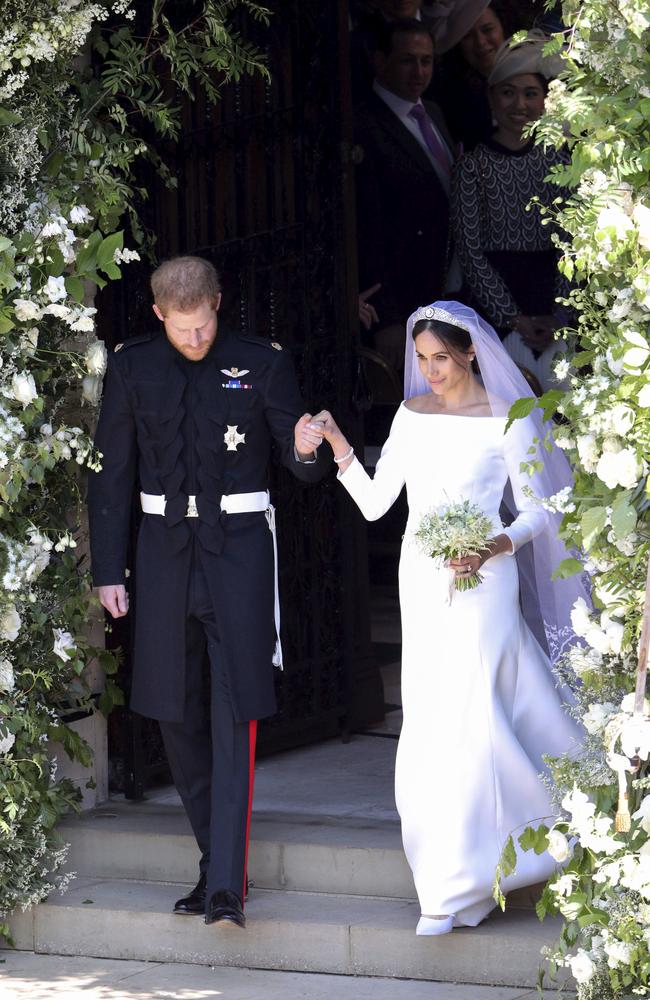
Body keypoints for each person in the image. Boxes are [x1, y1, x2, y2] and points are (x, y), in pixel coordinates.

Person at [311, 300, 586, 934]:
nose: (430, 371)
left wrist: (493, 546)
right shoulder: (411, 414)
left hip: (485, 580)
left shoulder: (507, 418)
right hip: (422, 581)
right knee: (433, 722)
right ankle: (450, 874)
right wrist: (340, 446)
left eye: (441, 358)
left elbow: (541, 511)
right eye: (421, 359)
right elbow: (380, 505)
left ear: (469, 353)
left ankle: (465, 883)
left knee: (477, 719)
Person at [87, 256, 329, 929]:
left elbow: (296, 460)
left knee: (235, 711)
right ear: (159, 313)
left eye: (206, 325)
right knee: (172, 711)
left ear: (218, 302)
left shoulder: (263, 361)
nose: (197, 340)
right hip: (161, 557)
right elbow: (111, 475)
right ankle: (213, 859)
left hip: (240, 552)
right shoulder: (132, 366)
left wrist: (307, 448)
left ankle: (225, 885)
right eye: (183, 329)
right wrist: (109, 569)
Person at [451, 31, 569, 392]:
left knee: (565, 417)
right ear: (492, 97)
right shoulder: (473, 166)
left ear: (545, 100)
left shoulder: (560, 160)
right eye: (508, 92)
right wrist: (514, 318)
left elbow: (573, 242)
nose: (519, 103)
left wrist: (559, 316)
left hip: (554, 303)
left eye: (530, 93)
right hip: (497, 313)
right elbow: (470, 253)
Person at [354, 18, 456, 370]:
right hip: (398, 297)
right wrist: (387, 316)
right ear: (380, 61)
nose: (419, 71)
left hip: (442, 283)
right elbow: (365, 223)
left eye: (426, 61)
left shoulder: (435, 112)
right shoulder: (362, 123)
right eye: (407, 60)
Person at [430, 0, 517, 151]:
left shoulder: (539, 72)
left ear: (503, 26)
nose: (481, 42)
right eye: (468, 36)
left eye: (488, 30)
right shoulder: (451, 100)